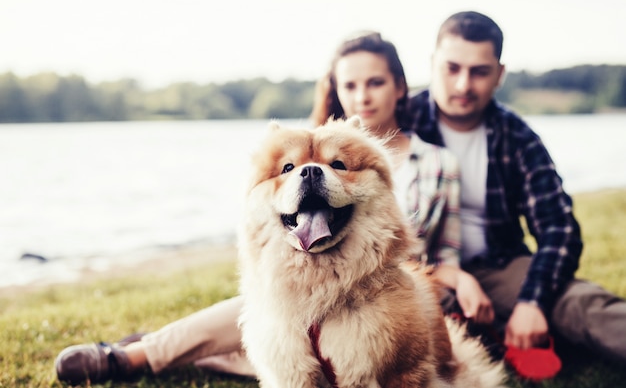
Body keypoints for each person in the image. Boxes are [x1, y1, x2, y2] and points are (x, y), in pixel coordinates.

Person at [55, 31, 489, 384]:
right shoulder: (302, 157)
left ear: (399, 87)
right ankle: (140, 355)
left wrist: (458, 279)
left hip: (392, 288)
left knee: (287, 333)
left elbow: (444, 256)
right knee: (268, 309)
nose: (362, 95)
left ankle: (167, 351)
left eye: (375, 82)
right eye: (350, 84)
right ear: (336, 89)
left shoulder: (436, 161)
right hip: (306, 289)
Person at [398, 10, 626, 362]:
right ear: (432, 63)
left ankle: (518, 325)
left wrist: (532, 302)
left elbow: (558, 229)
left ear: (500, 75)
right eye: (452, 68)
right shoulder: (401, 120)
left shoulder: (517, 136)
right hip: (423, 268)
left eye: (479, 71)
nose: (463, 85)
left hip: (499, 267)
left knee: (581, 305)